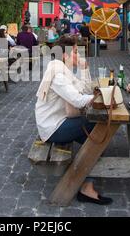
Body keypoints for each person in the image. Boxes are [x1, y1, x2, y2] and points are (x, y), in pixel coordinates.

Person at [35, 34, 113, 205]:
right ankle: (85, 187)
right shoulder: (58, 74)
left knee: (97, 140)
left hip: (59, 122)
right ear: (66, 55)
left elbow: (83, 88)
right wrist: (101, 98)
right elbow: (78, 100)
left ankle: (87, 184)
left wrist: (84, 69)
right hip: (53, 128)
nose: (80, 55)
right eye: (77, 52)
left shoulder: (63, 70)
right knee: (97, 127)